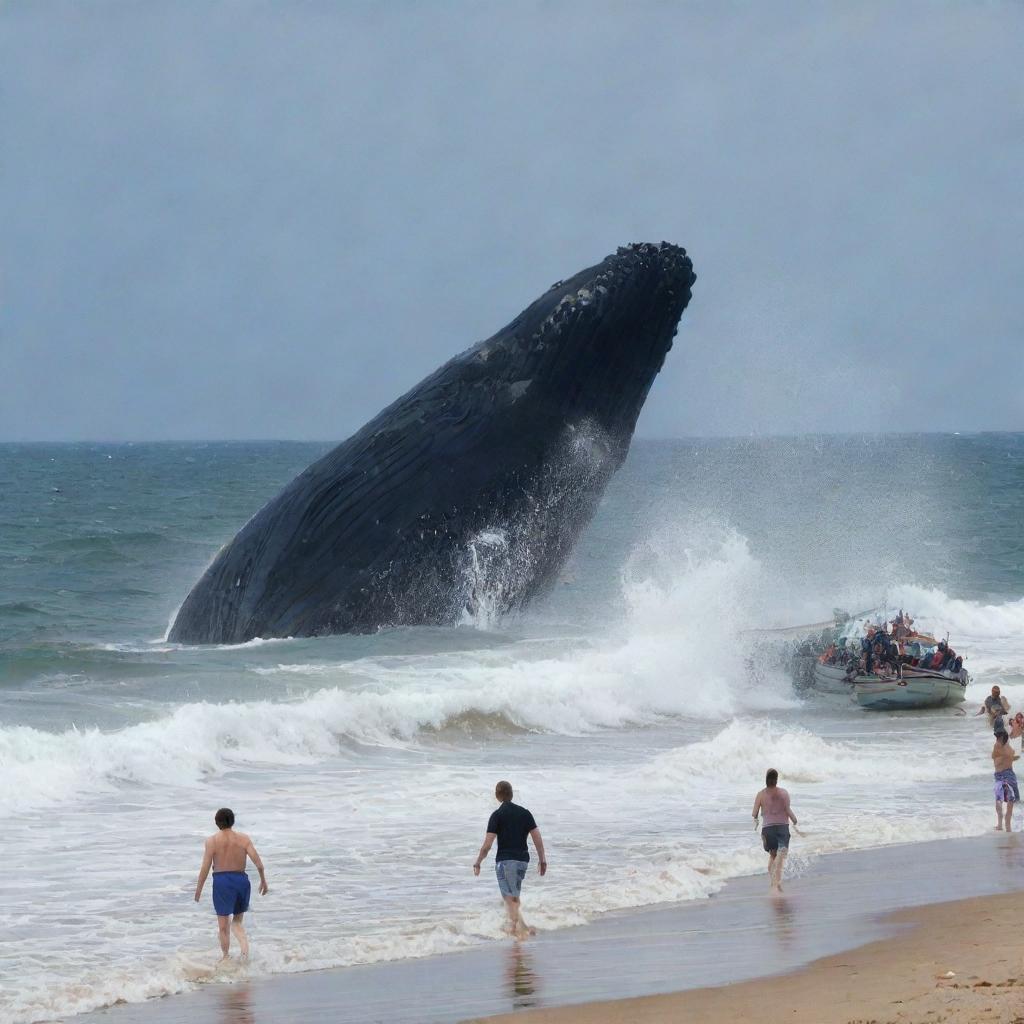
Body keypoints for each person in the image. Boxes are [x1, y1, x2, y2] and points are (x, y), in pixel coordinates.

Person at [473, 781, 547, 939]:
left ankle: (518, 931)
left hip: (505, 862)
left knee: (509, 897)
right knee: (514, 896)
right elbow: (537, 839)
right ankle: (519, 927)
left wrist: (478, 861)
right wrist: (542, 860)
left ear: (497, 795)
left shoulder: (497, 815)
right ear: (511, 794)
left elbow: (487, 845)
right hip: (522, 862)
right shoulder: (525, 813)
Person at [194, 808, 268, 959]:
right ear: (232, 821)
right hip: (241, 880)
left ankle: (226, 957)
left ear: (217, 822)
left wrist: (198, 890)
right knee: (237, 922)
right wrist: (263, 881)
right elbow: (259, 864)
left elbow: (205, 868)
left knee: (223, 926)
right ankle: (245, 951)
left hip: (222, 882)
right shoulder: (244, 839)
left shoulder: (212, 841)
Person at [752, 768, 798, 893]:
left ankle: (773, 882)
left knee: (773, 855)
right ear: (776, 780)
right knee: (781, 855)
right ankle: (777, 883)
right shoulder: (784, 793)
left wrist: (756, 822)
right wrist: (795, 820)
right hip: (782, 827)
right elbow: (788, 810)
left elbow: (754, 813)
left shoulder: (760, 794)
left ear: (766, 779)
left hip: (768, 829)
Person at [992, 730, 1020, 832]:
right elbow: (1009, 757)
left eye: (998, 737)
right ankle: (1004, 825)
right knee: (1007, 799)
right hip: (1004, 774)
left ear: (1002, 738)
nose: (997, 739)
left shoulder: (998, 746)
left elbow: (995, 759)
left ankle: (1005, 825)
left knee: (1001, 799)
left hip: (1003, 774)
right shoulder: (1006, 748)